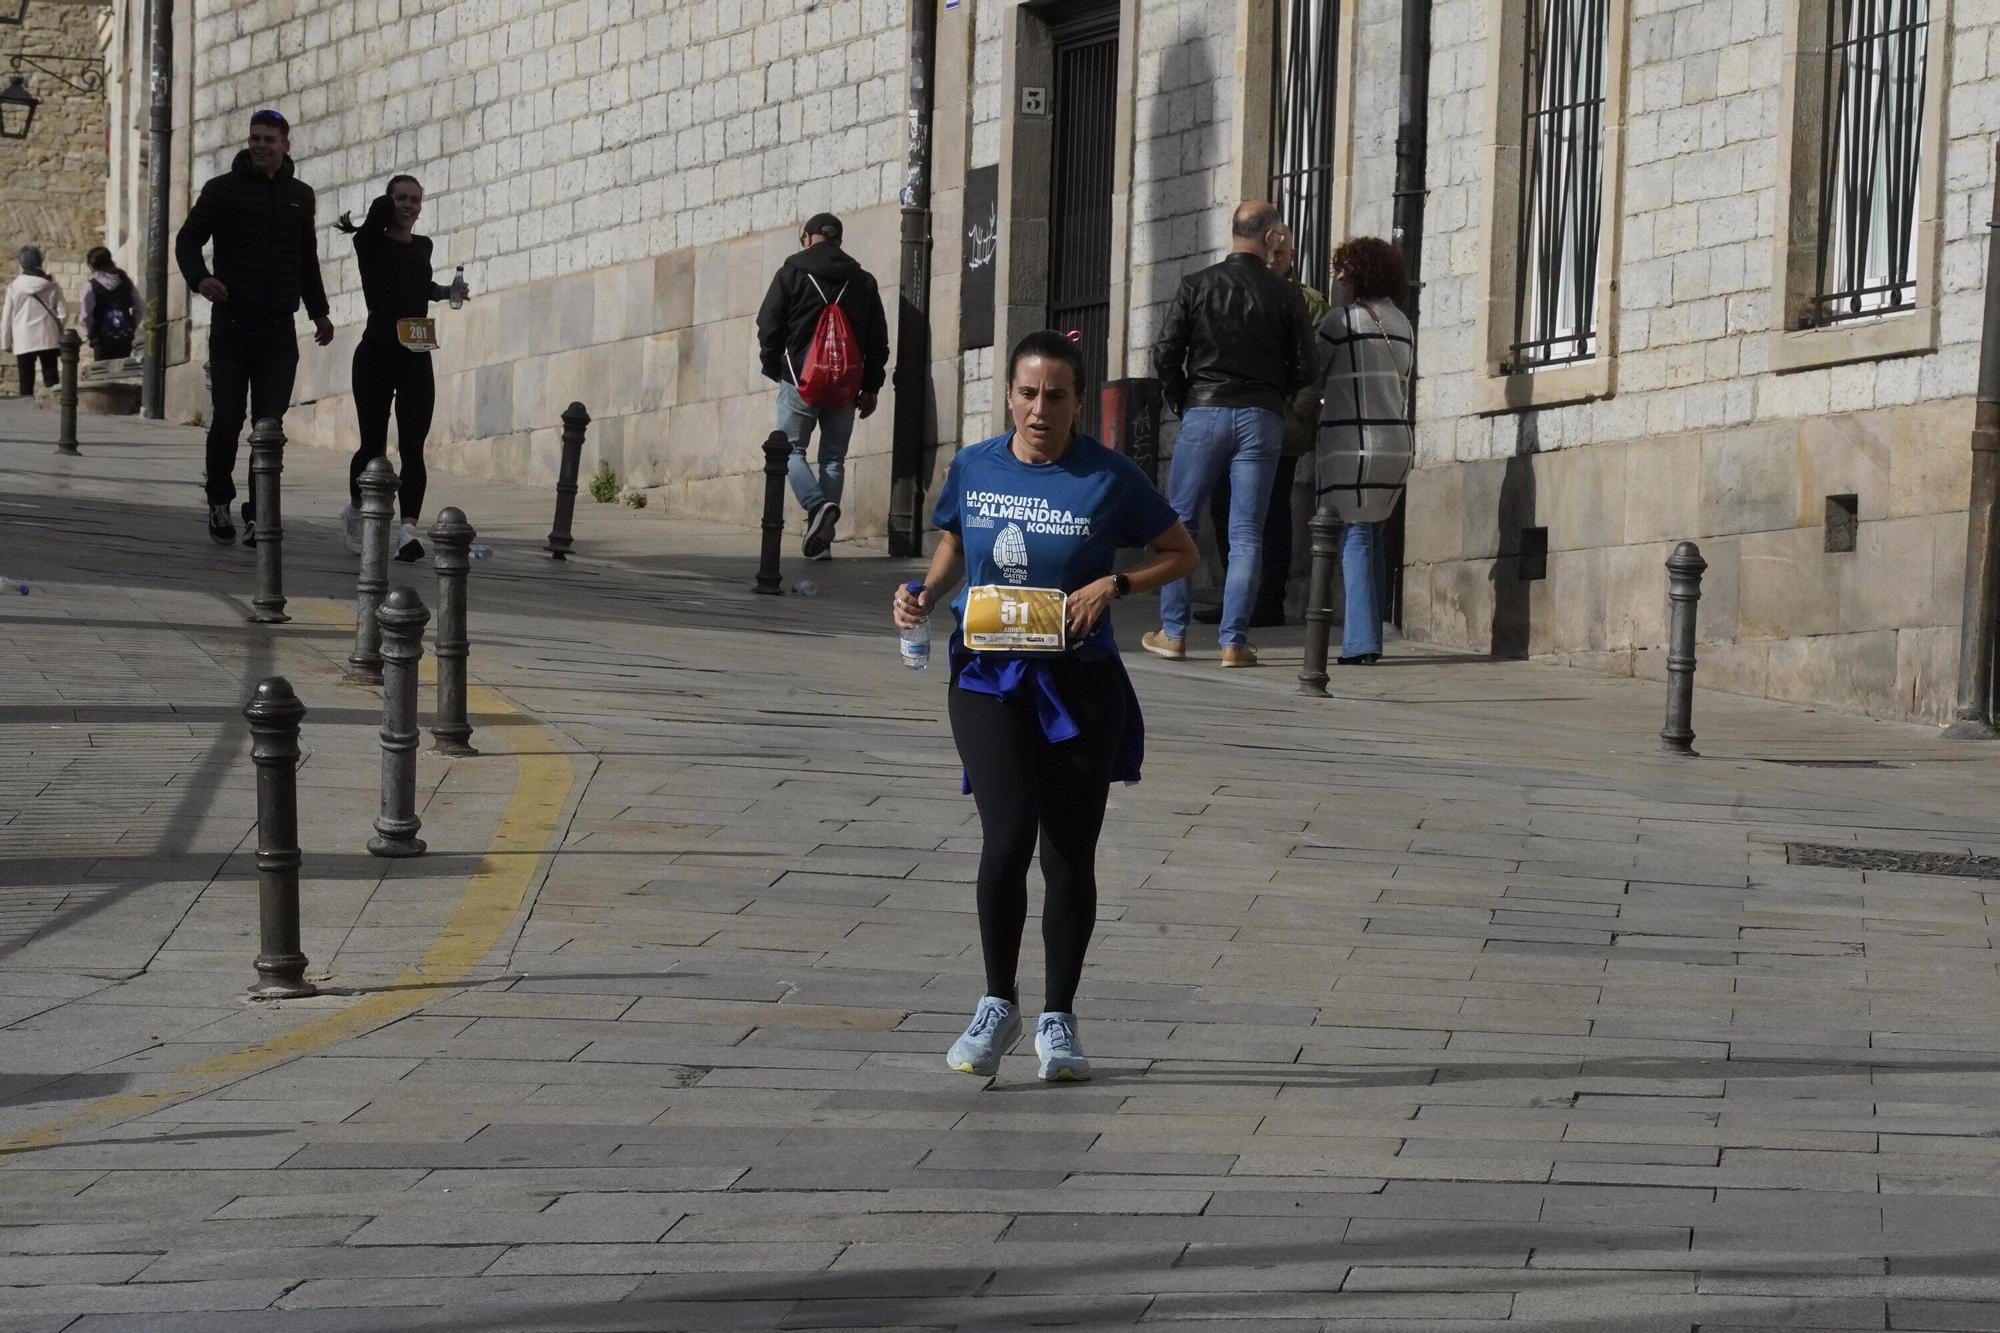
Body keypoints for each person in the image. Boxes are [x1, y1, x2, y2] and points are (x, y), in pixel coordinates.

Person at [892, 330, 1198, 1083]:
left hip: (1080, 683)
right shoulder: (975, 464)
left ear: (1077, 402)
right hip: (988, 675)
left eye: (1055, 396)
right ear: (1008, 396)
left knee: (1068, 852)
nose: (1039, 409)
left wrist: (1116, 586)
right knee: (1007, 834)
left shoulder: (1109, 476)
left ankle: (1058, 1018)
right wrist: (926, 594)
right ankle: (998, 1003)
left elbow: (1183, 552)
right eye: (1027, 394)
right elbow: (958, 534)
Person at [1144, 201, 1317, 667]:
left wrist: (1181, 397)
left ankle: (1173, 632)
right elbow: (1307, 366)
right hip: (1261, 415)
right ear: (1271, 238)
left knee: (1178, 523)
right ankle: (1233, 642)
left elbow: (1165, 351)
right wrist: (1275, 396)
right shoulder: (1285, 295)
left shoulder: (1197, 284)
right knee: (1246, 533)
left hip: (1205, 407)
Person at [176, 108, 334, 547]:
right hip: (231, 325)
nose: (261, 145)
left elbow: (307, 258)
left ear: (286, 144)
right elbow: (188, 239)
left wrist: (319, 312)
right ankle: (219, 500)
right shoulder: (222, 191)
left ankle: (258, 511)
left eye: (269, 139)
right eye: (255, 138)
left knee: (269, 426)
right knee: (227, 419)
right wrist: (200, 278)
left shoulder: (301, 196)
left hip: (278, 329)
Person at [1194, 231, 1330, 628]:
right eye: (1270, 253)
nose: (1275, 260)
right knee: (1222, 505)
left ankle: (1269, 598)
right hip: (1229, 414)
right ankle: (1236, 595)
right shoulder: (1230, 289)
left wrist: (1294, 412)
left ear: (1292, 258)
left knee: (1271, 511)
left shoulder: (1306, 300)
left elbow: (1314, 365)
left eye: (1283, 254)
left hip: (1278, 423)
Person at [334, 175, 468, 562]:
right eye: (401, 199)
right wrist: (385, 205)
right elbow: (378, 245)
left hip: (415, 353)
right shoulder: (369, 243)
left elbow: (417, 285)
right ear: (388, 202)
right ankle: (358, 512)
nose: (408, 206)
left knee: (413, 446)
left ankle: (408, 530)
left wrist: (445, 292)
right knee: (373, 444)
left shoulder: (423, 247)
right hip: (375, 352)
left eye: (414, 200)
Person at [755, 212, 890, 560]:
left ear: (807, 238)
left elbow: (768, 323)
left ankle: (817, 508)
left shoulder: (791, 274)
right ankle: (821, 544)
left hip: (800, 380)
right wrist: (872, 385)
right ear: (839, 241)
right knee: (833, 459)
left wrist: (775, 367)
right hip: (845, 386)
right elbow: (879, 338)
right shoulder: (863, 281)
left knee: (790, 451)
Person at [1314, 237, 1415, 665]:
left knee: (1355, 533)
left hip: (1353, 443)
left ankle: (1360, 643)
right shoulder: (1402, 322)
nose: (1336, 277)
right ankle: (1369, 635)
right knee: (1371, 533)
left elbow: (1311, 371)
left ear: (1357, 274)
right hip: (1396, 443)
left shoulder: (1342, 321)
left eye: (1342, 270)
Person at [2, 247, 66, 397]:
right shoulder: (52, 285)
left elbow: (7, 317)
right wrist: (59, 329)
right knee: (51, 378)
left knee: (26, 380)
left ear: (21, 263)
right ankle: (54, 408)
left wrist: (5, 342)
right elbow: (63, 313)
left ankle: (26, 412)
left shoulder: (14, 287)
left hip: (23, 337)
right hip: (48, 336)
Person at [80, 247, 145, 362]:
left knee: (101, 372)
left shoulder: (90, 286)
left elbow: (86, 315)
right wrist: (131, 325)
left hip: (101, 338)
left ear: (91, 265)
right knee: (123, 370)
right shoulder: (125, 281)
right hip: (124, 336)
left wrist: (90, 333)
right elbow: (140, 307)